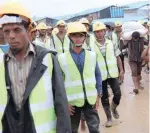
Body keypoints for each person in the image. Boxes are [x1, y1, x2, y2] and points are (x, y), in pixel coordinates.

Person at [0, 1, 71, 133]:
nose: (11, 36)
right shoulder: (1, 64)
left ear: (27, 30)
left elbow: (61, 106)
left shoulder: (47, 59)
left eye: (16, 30)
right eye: (6, 31)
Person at [58, 22, 102, 133]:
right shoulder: (61, 58)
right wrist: (64, 102)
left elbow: (97, 74)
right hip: (72, 102)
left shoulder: (92, 56)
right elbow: (58, 82)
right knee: (72, 130)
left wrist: (98, 94)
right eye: (74, 35)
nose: (78, 38)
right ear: (70, 37)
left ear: (85, 37)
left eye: (80, 35)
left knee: (94, 129)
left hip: (90, 99)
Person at [91, 21, 124, 127]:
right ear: (94, 33)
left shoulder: (111, 42)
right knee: (104, 97)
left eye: (101, 31)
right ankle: (109, 118)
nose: (99, 33)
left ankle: (113, 107)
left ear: (104, 31)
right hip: (100, 76)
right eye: (97, 32)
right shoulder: (91, 46)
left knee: (118, 93)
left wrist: (121, 70)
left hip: (113, 73)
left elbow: (118, 56)